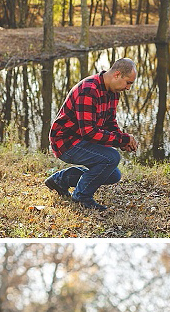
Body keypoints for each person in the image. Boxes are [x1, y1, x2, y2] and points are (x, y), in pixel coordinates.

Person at [45, 59, 138, 213]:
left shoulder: (113, 93)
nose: (128, 88)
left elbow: (110, 123)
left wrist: (122, 140)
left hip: (82, 140)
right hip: (66, 142)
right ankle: (82, 196)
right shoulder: (89, 90)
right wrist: (122, 139)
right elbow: (88, 132)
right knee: (111, 158)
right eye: (128, 83)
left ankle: (59, 180)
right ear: (117, 74)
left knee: (113, 175)